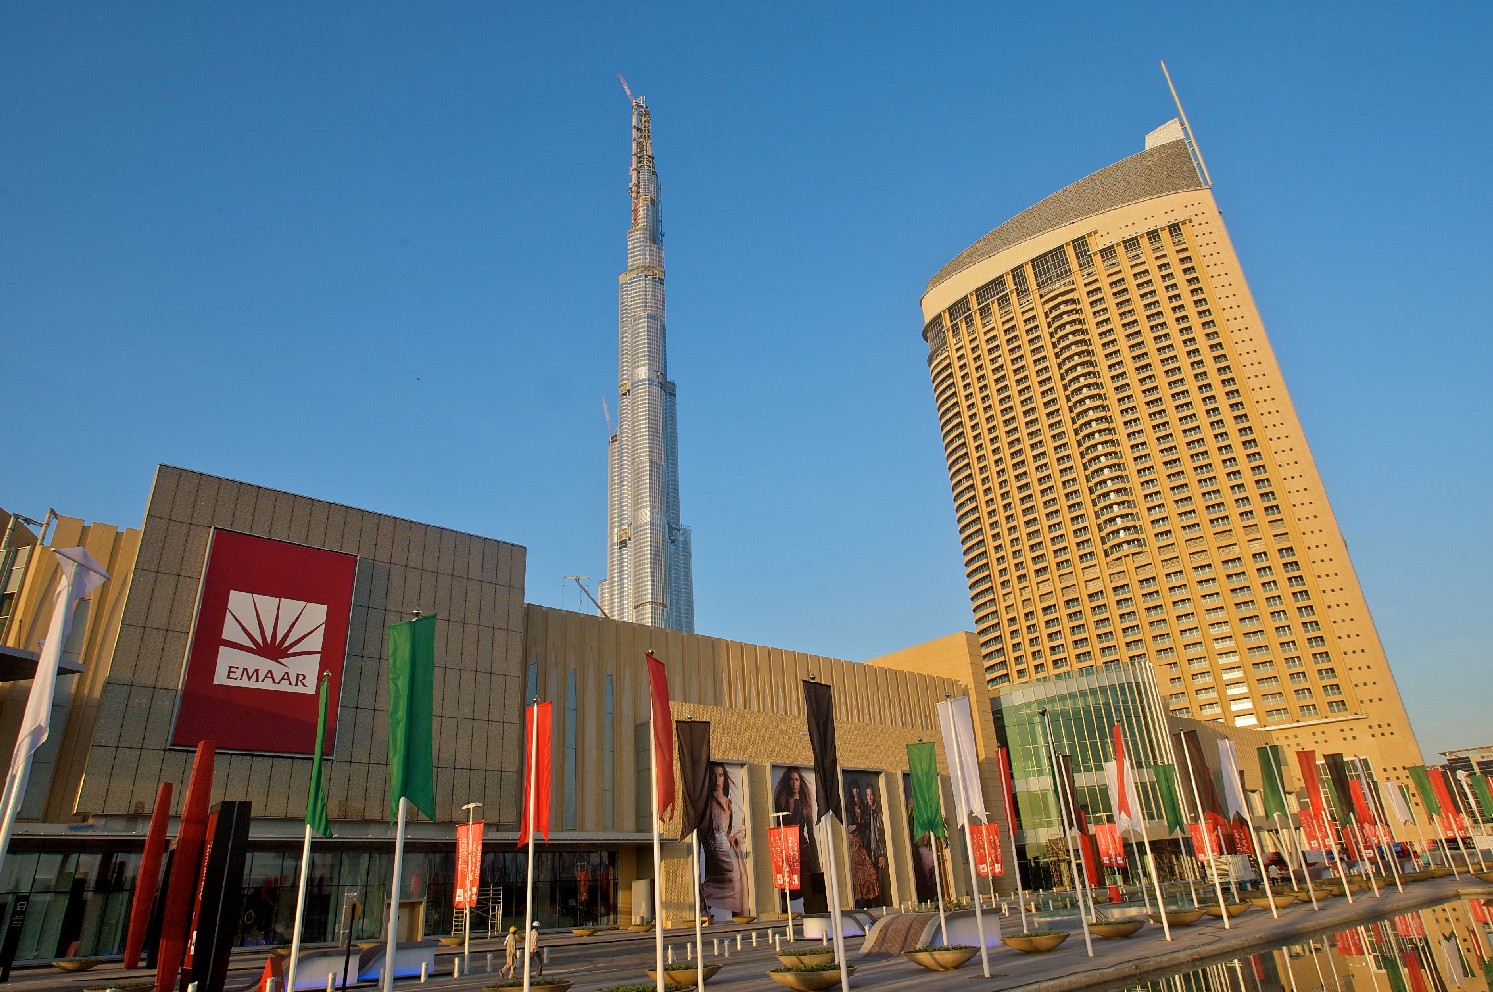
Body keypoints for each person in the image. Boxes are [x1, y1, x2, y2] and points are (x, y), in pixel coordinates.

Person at [700, 762, 749, 918]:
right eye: (714, 775)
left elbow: (738, 828)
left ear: (724, 778)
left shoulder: (730, 802)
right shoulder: (706, 802)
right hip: (714, 849)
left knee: (740, 880)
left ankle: (740, 917)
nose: (717, 779)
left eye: (720, 775)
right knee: (717, 883)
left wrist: (737, 837)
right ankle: (705, 902)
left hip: (730, 849)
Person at [771, 767, 820, 875]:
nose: (794, 783)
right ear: (787, 781)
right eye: (791, 779)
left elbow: (810, 834)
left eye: (796, 780)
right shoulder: (781, 803)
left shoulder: (804, 804)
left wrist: (817, 865)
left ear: (800, 782)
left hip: (804, 854)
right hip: (786, 853)